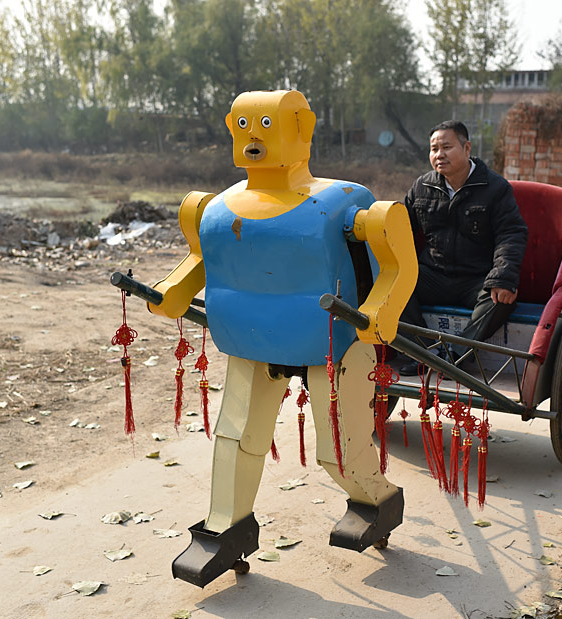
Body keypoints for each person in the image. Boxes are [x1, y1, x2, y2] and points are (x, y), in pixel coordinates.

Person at [147, 90, 417, 588]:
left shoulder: (347, 203)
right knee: (235, 437)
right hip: (251, 339)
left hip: (334, 342)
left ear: (302, 128)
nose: (253, 135)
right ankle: (223, 531)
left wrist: (381, 310)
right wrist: (172, 292)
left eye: (266, 124)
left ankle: (376, 501)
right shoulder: (214, 208)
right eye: (243, 124)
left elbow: (397, 263)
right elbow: (201, 261)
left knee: (337, 447)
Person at [399, 120, 528, 375]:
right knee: (390, 285)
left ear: (467, 148)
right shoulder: (422, 187)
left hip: (476, 279)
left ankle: (454, 357)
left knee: (501, 299)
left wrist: (502, 277)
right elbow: (400, 229)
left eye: (446, 147)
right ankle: (422, 352)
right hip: (433, 276)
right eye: (434, 149)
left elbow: (511, 233)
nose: (439, 155)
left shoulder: (495, 188)